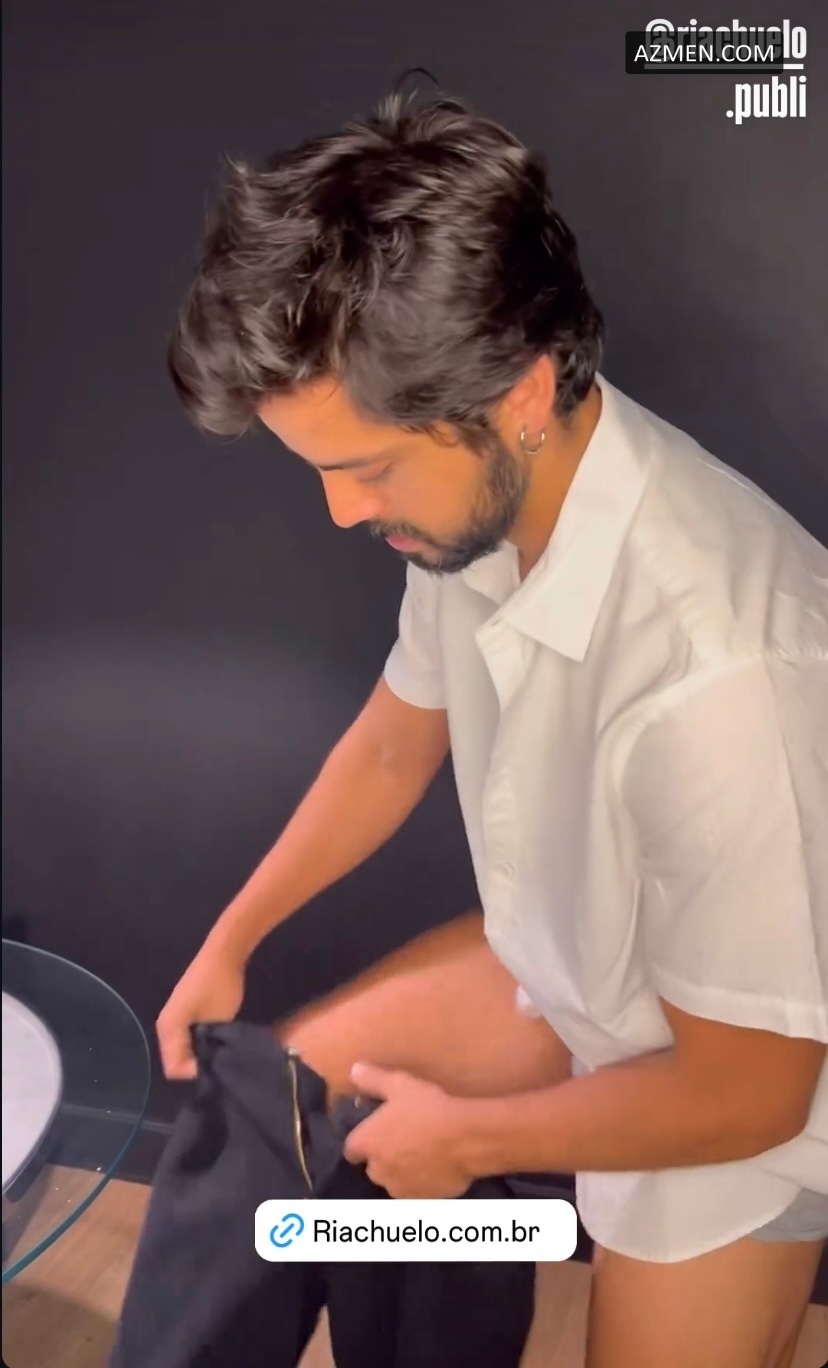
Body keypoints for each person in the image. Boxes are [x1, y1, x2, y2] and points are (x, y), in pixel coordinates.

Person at [158, 88, 828, 1368]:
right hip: (588, 963)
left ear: (518, 394)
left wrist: (469, 1141)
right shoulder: (477, 498)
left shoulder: (722, 681)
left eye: (366, 468)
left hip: (741, 1077)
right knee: (279, 1117)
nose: (341, 514)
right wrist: (232, 939)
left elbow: (752, 1088)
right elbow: (393, 742)